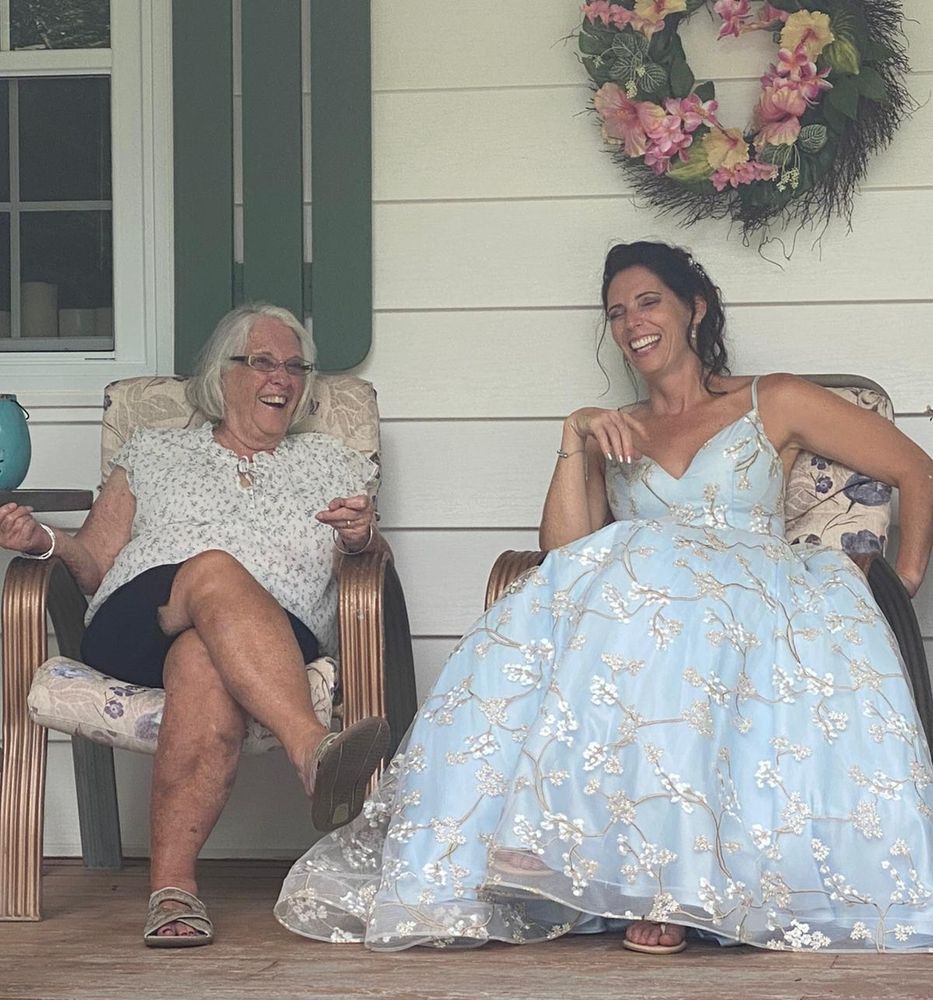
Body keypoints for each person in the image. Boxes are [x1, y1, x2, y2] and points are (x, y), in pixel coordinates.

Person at [275, 241, 933, 954]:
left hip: (748, 597)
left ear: (695, 309)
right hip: (643, 606)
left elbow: (913, 468)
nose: (630, 323)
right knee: (598, 605)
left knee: (662, 601)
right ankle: (543, 855)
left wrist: (902, 579)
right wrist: (575, 434)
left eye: (647, 302)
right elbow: (565, 554)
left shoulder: (769, 399)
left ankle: (671, 881)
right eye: (616, 313)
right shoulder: (615, 428)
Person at [0, 303, 391, 947]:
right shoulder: (155, 452)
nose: (283, 379)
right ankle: (312, 750)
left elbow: (373, 560)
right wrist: (42, 539)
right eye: (263, 361)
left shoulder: (330, 462)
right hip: (136, 621)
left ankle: (172, 892)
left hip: (269, 637)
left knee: (203, 663)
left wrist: (359, 536)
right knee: (213, 569)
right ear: (222, 373)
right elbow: (95, 562)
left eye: (295, 367)